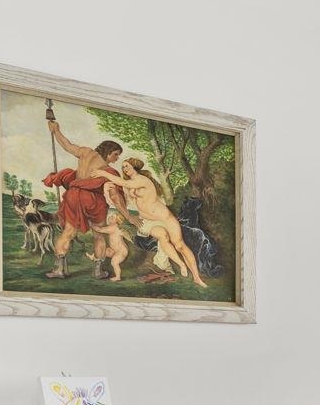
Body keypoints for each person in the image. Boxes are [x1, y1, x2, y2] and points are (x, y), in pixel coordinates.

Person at [41, 115, 132, 280]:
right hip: (93, 199)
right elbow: (115, 196)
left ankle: (59, 270)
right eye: (116, 154)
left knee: (68, 232)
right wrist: (127, 214)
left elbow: (66, 145)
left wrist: (56, 131)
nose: (117, 159)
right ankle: (98, 272)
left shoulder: (85, 152)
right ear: (109, 152)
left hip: (74, 196)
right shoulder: (108, 171)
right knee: (98, 234)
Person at [107, 157, 205, 286]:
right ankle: (181, 264)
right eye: (123, 167)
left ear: (134, 166)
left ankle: (197, 278)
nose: (125, 169)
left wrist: (103, 173)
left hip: (165, 218)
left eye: (127, 166)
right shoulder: (129, 184)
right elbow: (124, 197)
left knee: (180, 245)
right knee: (162, 236)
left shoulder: (143, 180)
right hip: (149, 221)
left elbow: (123, 183)